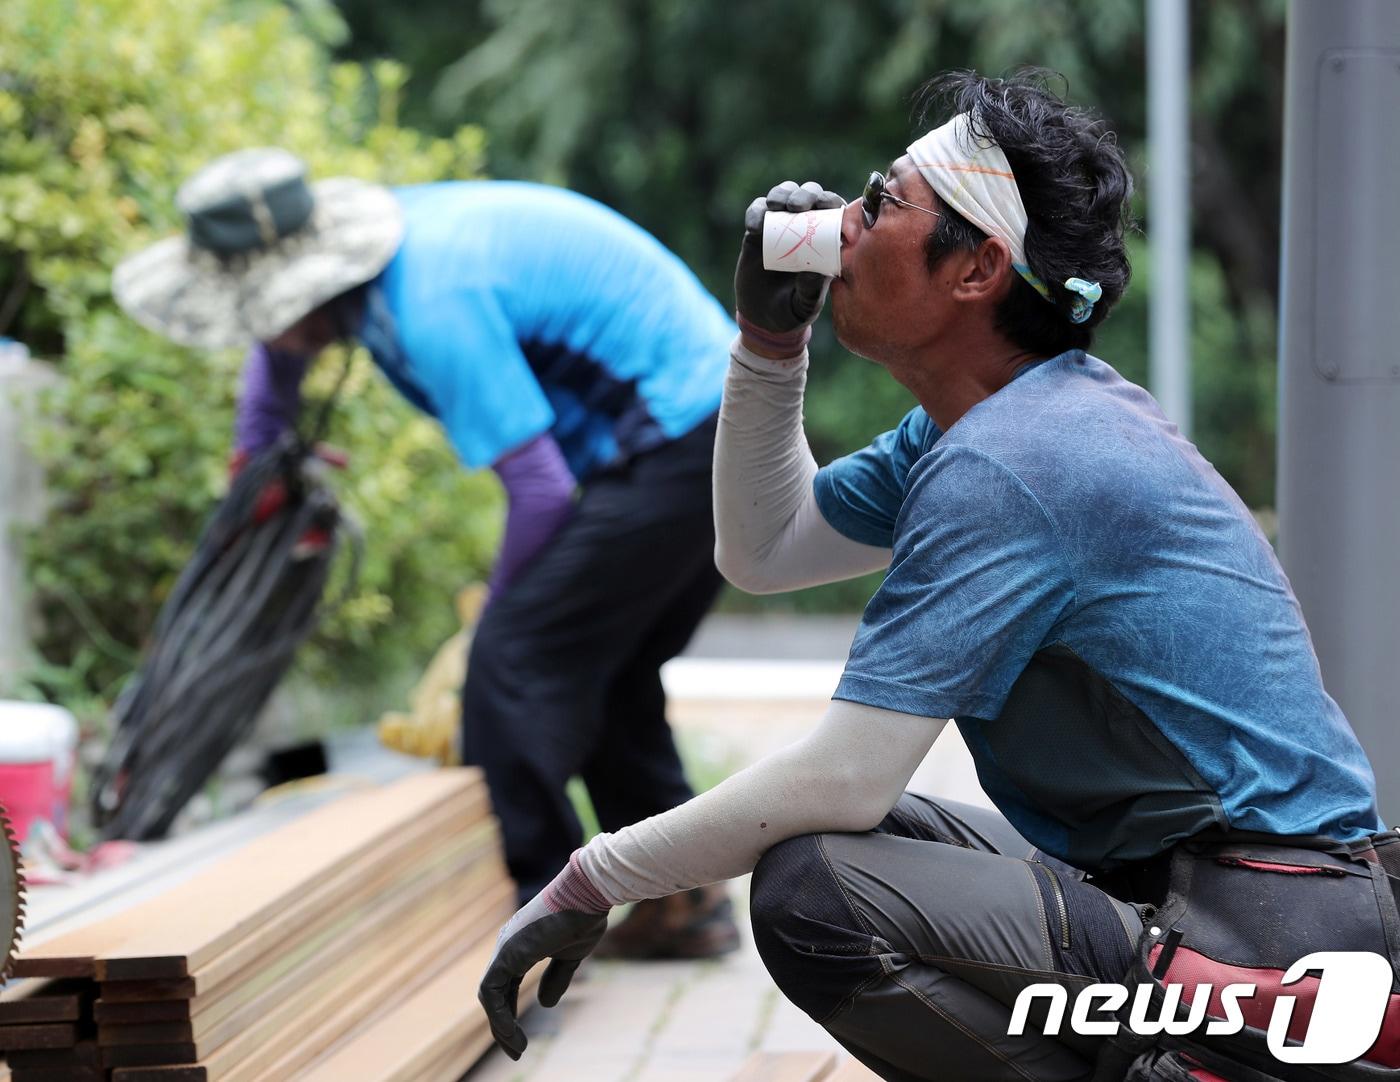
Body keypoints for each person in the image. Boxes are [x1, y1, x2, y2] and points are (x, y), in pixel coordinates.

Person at [478, 71, 1399, 1081]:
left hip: (1272, 929)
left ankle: (1210, 1060)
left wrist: (589, 876)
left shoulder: (1018, 459)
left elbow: (843, 773)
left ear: (977, 269)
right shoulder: (980, 426)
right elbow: (764, 548)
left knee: (819, 893)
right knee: (833, 846)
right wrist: (768, 345)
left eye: (883, 202)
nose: (845, 221)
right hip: (1212, 897)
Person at [112, 150, 742, 959]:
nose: (264, 335)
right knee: (603, 671)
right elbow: (277, 359)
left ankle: (541, 930)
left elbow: (541, 493)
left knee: (510, 667)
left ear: (306, 290)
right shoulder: (367, 278)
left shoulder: (433, 304)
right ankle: (682, 907)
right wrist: (257, 459)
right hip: (705, 428)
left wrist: (492, 617)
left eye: (263, 312)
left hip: (689, 440)